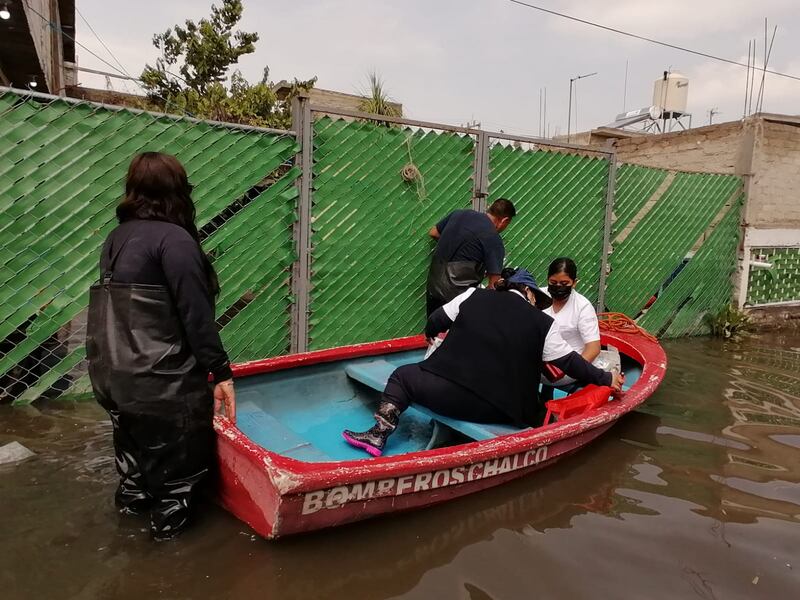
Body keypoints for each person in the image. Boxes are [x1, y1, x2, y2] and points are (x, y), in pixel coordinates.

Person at [86, 152, 236, 541]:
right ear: (179, 191)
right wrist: (220, 372)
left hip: (113, 380)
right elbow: (196, 316)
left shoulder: (116, 238)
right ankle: (168, 565)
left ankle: (128, 539)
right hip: (161, 384)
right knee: (179, 483)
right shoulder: (175, 240)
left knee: (135, 476)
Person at [343, 268, 624, 457]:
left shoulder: (472, 295)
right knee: (535, 404)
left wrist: (431, 336)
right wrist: (606, 379)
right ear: (528, 293)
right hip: (498, 411)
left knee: (403, 375)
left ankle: (378, 434)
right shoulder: (543, 323)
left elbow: (435, 321)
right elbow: (571, 364)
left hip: (442, 395)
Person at [425, 198, 516, 316]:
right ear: (504, 220)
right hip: (457, 298)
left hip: (434, 287)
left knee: (435, 330)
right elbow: (494, 283)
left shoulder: (459, 214)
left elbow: (433, 232)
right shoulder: (493, 238)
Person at [541, 257, 619, 391]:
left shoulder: (582, 306)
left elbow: (593, 348)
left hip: (569, 369)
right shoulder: (537, 296)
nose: (558, 287)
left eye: (564, 283)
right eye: (553, 282)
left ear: (574, 283)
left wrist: (573, 368)